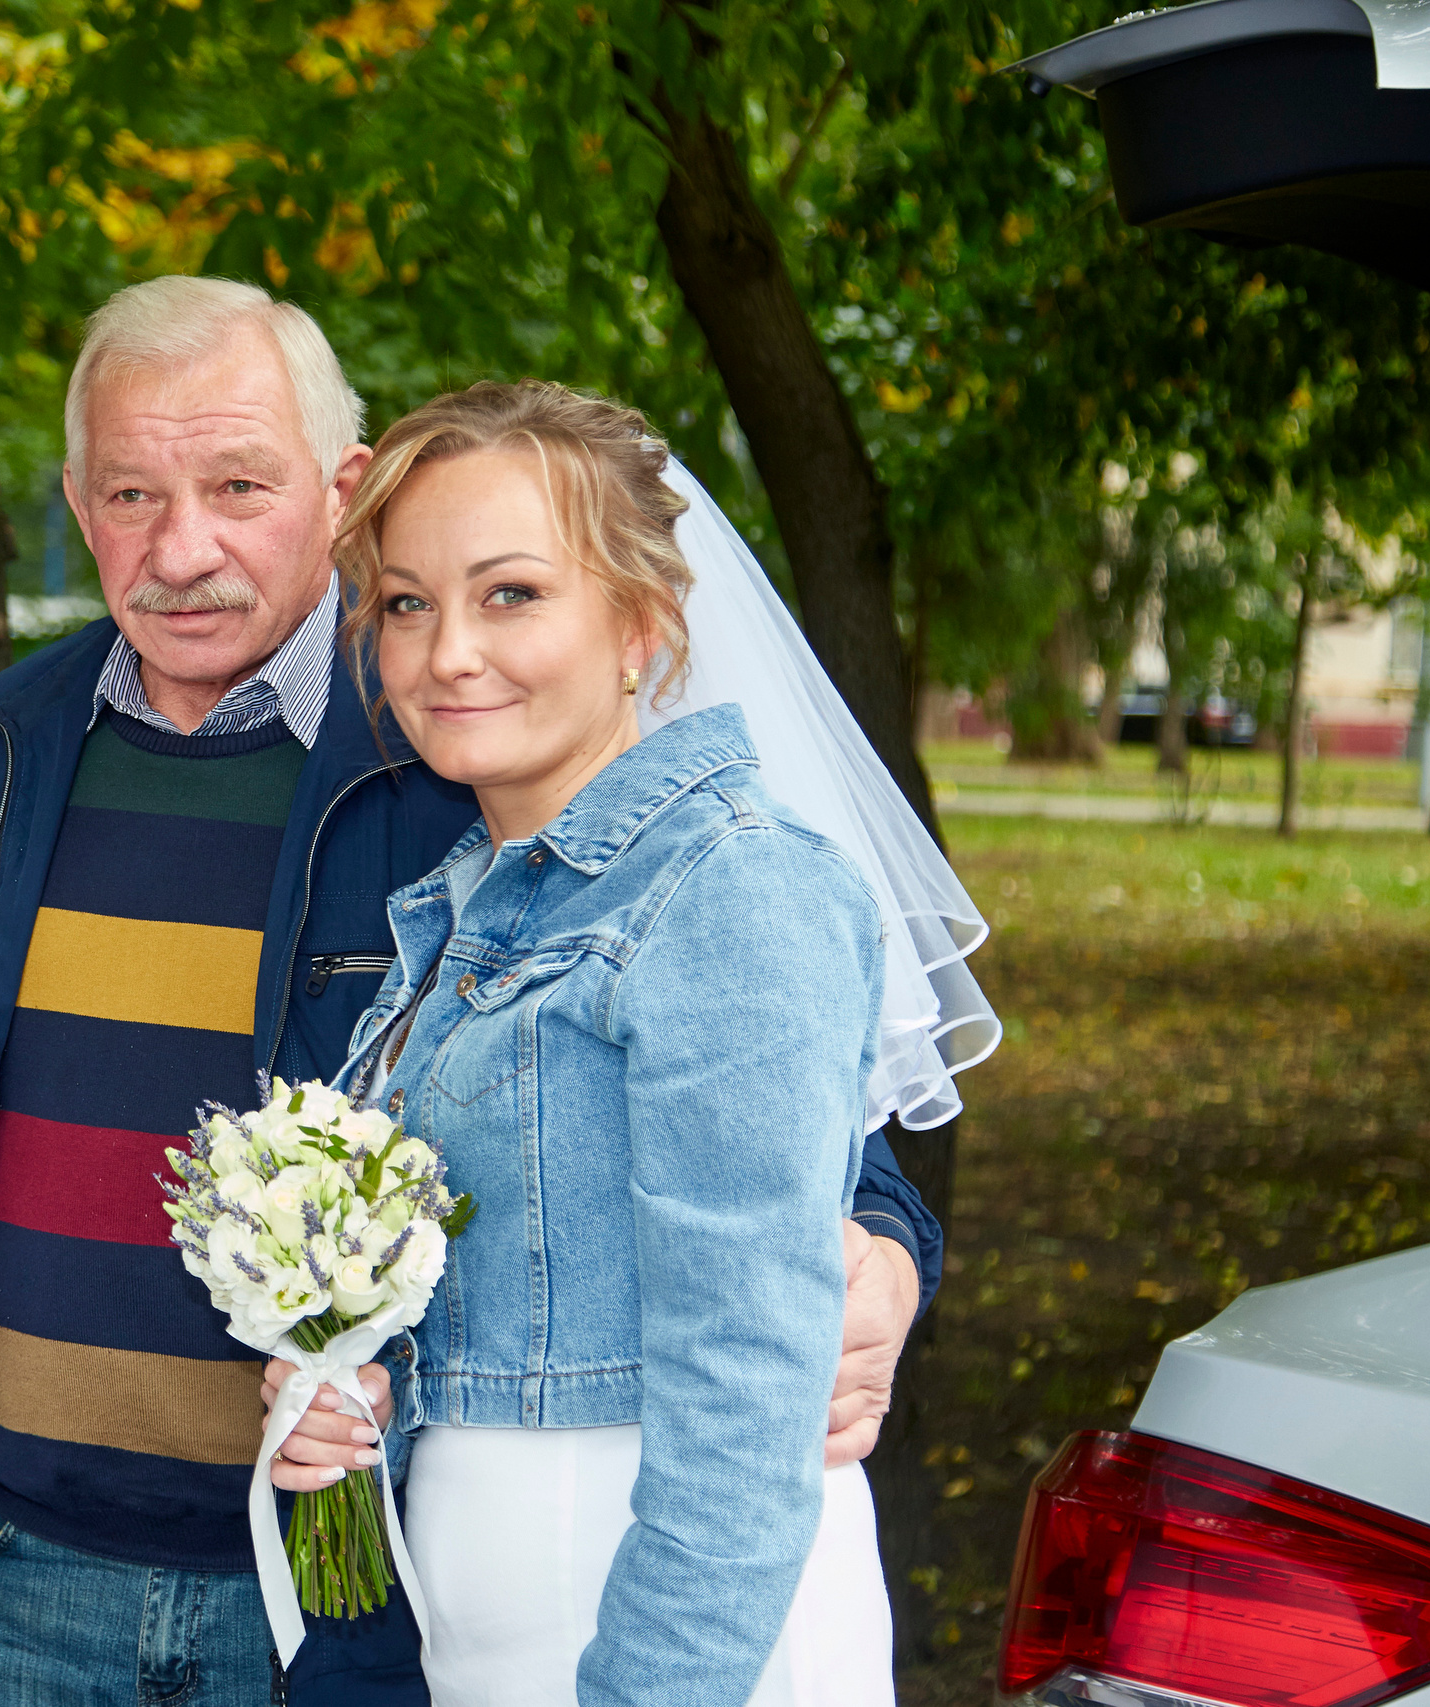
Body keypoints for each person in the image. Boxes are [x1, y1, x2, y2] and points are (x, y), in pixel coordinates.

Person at [0, 277, 953, 1706]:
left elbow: (772, 1135)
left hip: (356, 1597)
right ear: (78, 504)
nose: (181, 546)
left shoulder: (452, 759)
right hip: (43, 1560)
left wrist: (883, 1245)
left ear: (337, 492)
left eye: (238, 485)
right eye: (133, 494)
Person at [280, 378, 997, 1705]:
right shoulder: (467, 901)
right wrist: (344, 1382)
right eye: (406, 603)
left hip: (663, 1641)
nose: (448, 652)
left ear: (642, 623)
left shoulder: (729, 891)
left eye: (511, 594)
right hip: (486, 1624)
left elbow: (741, 1404)